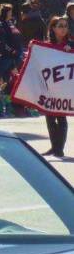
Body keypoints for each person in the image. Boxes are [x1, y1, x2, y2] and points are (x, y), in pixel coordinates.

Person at [41, 16, 73, 158]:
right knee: (49, 117)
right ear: (53, 28)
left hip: (65, 88)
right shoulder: (46, 45)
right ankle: (54, 146)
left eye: (65, 26)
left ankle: (59, 148)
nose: (63, 29)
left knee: (61, 117)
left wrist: (70, 50)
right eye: (60, 26)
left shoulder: (71, 44)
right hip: (50, 87)